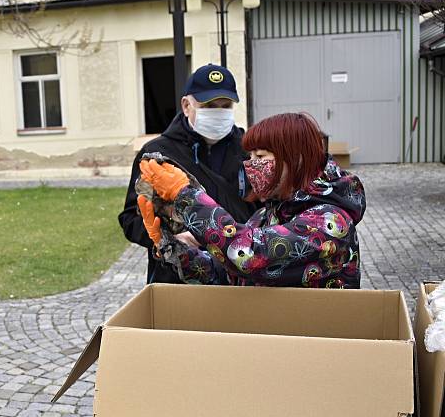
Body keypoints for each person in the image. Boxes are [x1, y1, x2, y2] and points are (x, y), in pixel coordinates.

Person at [136, 112, 366, 288]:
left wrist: (185, 197)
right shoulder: (267, 215)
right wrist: (176, 250)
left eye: (261, 156)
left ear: (296, 159)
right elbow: (233, 275)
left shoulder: (330, 221)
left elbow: (254, 255)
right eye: (249, 157)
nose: (251, 165)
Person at [119, 63, 258, 284]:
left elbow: (266, 213)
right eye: (210, 105)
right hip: (176, 276)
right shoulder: (156, 154)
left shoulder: (249, 151)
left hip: (237, 274)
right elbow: (131, 219)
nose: (218, 112)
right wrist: (170, 240)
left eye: (226, 106)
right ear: (186, 105)